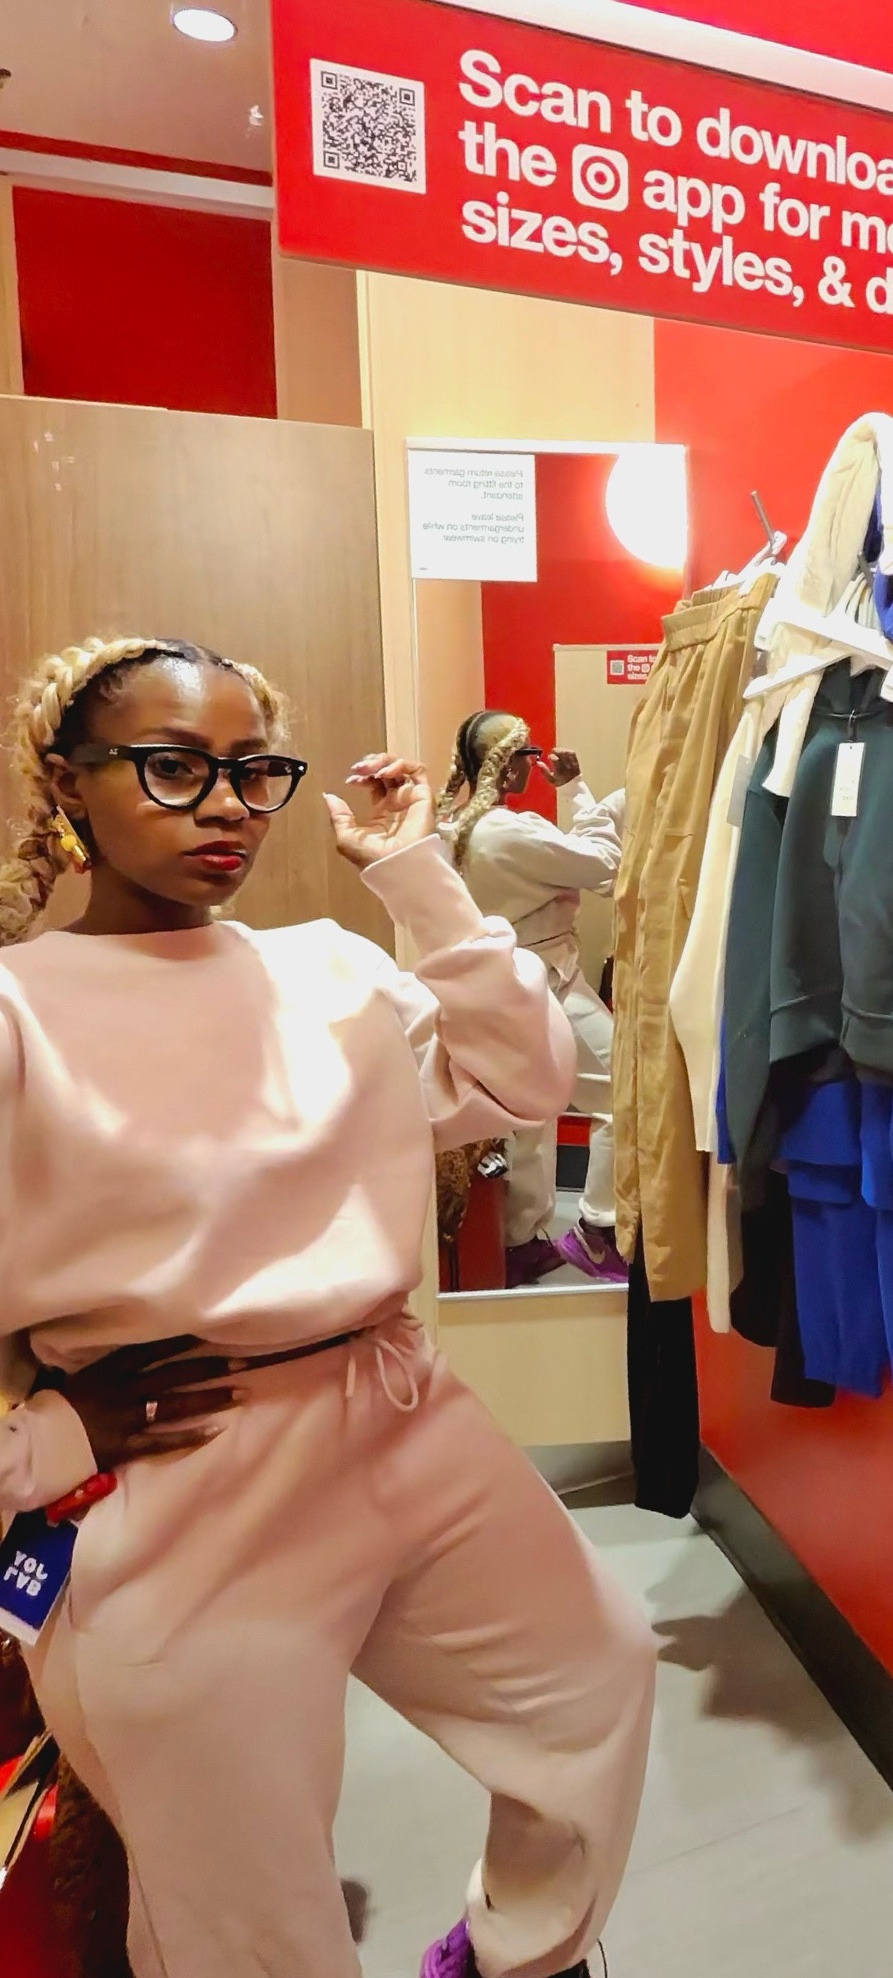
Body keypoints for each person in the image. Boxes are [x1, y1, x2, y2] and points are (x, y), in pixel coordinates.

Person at [0, 636, 656, 1978]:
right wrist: (43, 1443)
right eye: (175, 769)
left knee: (597, 1679)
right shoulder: (21, 1011)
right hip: (182, 1474)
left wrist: (413, 868)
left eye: (255, 773)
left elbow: (525, 1077)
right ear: (68, 783)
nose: (228, 805)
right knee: (248, 1914)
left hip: (402, 1416)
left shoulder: (327, 970)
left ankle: (512, 1957)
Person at [438, 710, 626, 1284]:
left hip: (493, 988)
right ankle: (597, 1227)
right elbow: (604, 865)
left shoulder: (449, 827)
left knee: (528, 1115)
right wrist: (577, 791)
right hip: (548, 983)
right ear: (506, 762)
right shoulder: (511, 832)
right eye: (525, 753)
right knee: (626, 1088)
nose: (531, 763)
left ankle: (520, 1241)